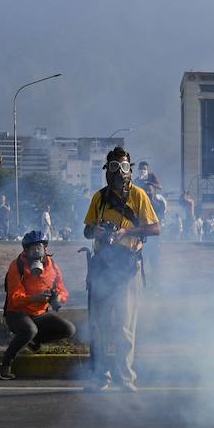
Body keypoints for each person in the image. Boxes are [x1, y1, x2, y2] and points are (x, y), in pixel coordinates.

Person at [83, 146, 160, 391]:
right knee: (99, 324)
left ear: (130, 169)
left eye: (124, 166)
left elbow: (154, 229)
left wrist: (127, 232)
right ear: (108, 170)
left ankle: (126, 379)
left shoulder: (139, 196)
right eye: (115, 166)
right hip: (102, 265)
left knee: (125, 326)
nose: (120, 172)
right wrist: (97, 231)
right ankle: (100, 377)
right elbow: (86, 230)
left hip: (127, 266)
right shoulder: (99, 197)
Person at [0, 231, 75, 380]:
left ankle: (33, 341)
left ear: (45, 249)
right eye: (33, 249)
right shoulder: (17, 265)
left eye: (40, 247)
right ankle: (3, 365)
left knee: (68, 329)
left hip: (39, 314)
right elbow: (14, 297)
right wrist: (34, 298)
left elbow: (62, 290)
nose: (37, 251)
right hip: (16, 314)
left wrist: (58, 298)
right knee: (29, 329)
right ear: (26, 251)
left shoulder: (53, 267)